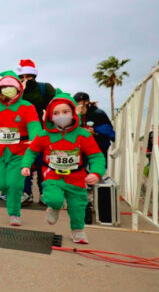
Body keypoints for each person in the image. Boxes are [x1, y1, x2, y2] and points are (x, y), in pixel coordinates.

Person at [22, 90, 106, 243]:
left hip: (77, 178)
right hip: (52, 175)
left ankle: (77, 230)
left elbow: (96, 155)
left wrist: (96, 173)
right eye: (56, 113)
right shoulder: (44, 134)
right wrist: (26, 165)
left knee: (78, 207)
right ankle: (54, 207)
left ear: (73, 112)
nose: (61, 115)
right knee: (54, 198)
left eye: (65, 111)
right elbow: (31, 151)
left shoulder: (83, 134)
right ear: (50, 116)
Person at [0, 71, 41, 226]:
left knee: (15, 184)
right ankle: (12, 196)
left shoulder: (27, 107)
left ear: (18, 89)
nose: (7, 89)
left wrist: (34, 138)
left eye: (11, 87)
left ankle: (14, 213)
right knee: (0, 184)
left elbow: (33, 124)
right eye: (4, 87)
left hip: (19, 151)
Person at [17, 59, 55, 205]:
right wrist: (19, 91)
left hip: (42, 132)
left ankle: (44, 193)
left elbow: (55, 104)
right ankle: (26, 193)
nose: (25, 79)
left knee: (42, 164)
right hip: (21, 134)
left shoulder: (44, 88)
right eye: (22, 76)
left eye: (29, 76)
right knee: (24, 163)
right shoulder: (16, 90)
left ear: (34, 76)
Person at [73, 92, 115, 160]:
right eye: (74, 101)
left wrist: (95, 132)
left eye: (78, 101)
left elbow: (110, 133)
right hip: (83, 149)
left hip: (99, 148)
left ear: (86, 102)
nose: (76, 103)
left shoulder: (98, 113)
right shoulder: (76, 116)